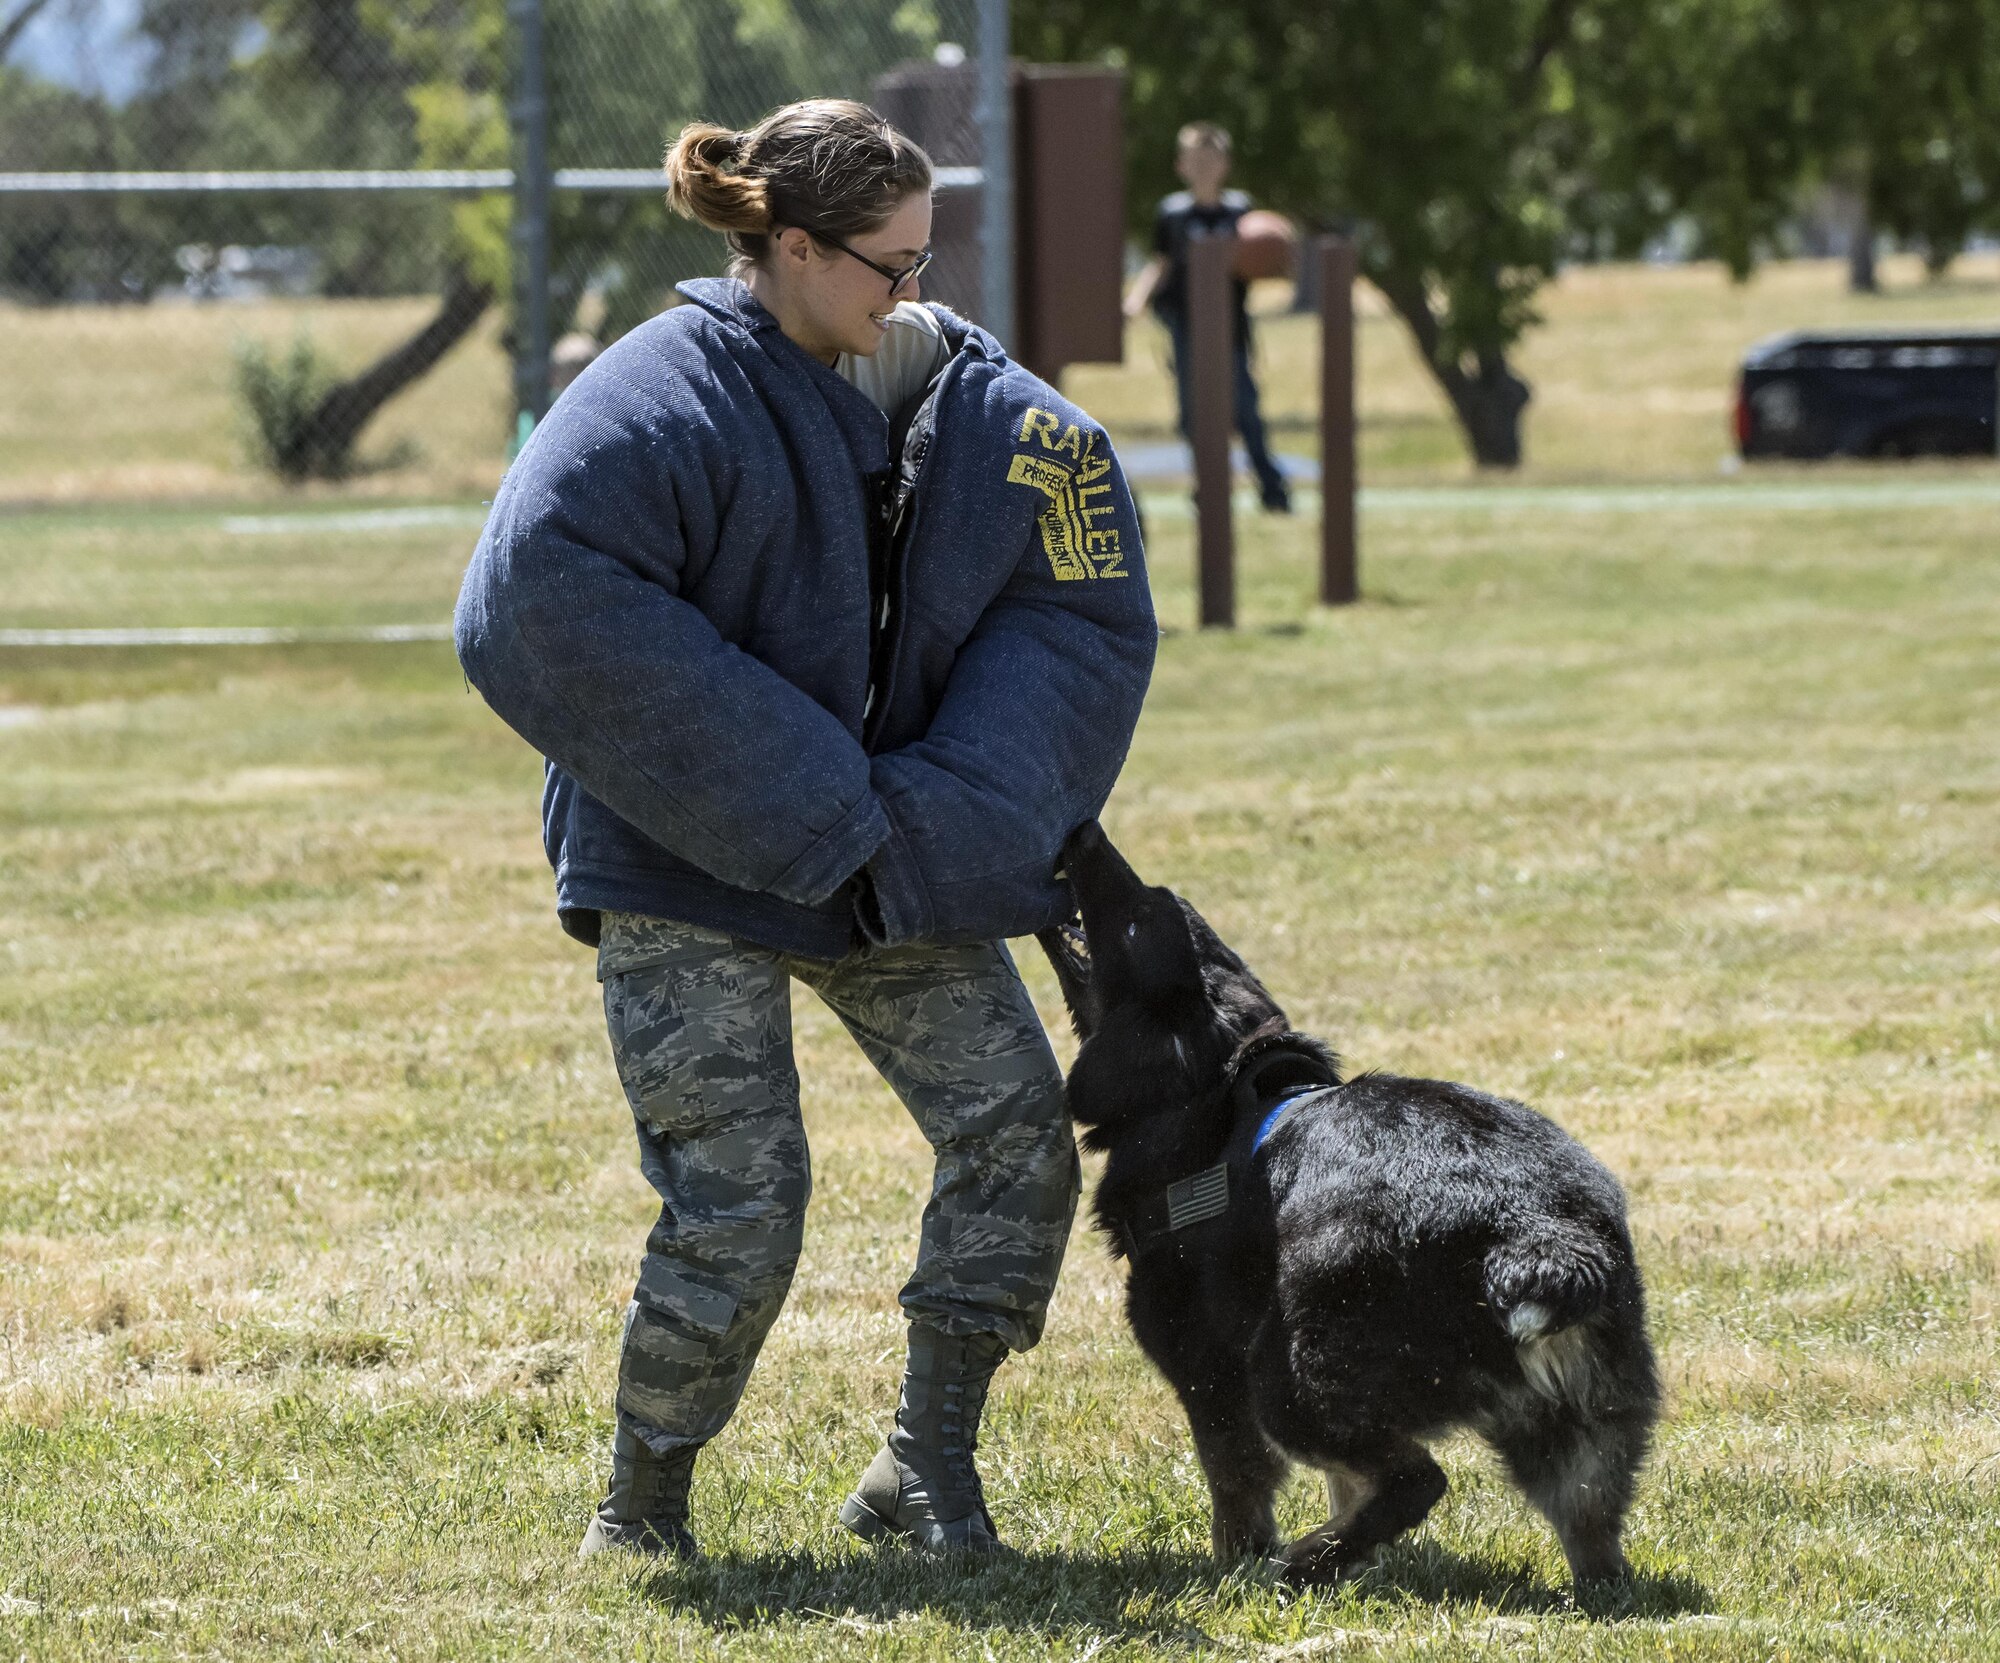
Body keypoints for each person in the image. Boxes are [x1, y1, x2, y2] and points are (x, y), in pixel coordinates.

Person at [453, 100, 1156, 1561]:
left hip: (883, 865)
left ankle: (922, 1473)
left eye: (924, 258)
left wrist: (922, 828)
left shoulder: (985, 417)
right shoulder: (663, 392)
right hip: (684, 853)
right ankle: (641, 1507)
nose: (918, 293)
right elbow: (535, 596)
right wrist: (813, 803)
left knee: (1019, 1136)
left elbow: (1065, 623)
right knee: (742, 1195)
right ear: (782, 245)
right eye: (887, 266)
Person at [1124, 121, 1292, 513]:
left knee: (1245, 408)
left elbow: (1263, 258)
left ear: (1225, 165)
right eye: (1195, 161)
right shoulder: (1172, 214)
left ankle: (1273, 489)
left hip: (1230, 327)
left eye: (1210, 160)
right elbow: (1160, 265)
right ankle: (1210, 489)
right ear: (1181, 166)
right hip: (1185, 324)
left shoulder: (1240, 211)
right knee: (1192, 412)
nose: (1203, 168)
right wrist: (1136, 301)